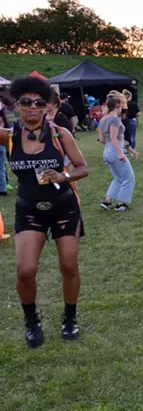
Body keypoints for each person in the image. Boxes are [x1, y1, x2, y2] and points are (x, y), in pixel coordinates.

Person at [6, 77, 89, 348]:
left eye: (39, 102)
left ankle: (69, 318)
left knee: (68, 266)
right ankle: (32, 321)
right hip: (29, 208)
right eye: (26, 102)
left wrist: (63, 174)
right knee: (25, 270)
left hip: (63, 207)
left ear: (47, 106)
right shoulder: (9, 137)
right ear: (16, 105)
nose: (32, 107)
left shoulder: (59, 134)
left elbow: (82, 168)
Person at [98, 95, 136, 211]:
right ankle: (121, 203)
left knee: (118, 177)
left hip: (107, 150)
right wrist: (120, 154)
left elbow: (102, 139)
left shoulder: (103, 119)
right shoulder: (115, 119)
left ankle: (108, 200)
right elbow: (114, 138)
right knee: (129, 177)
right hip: (115, 150)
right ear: (116, 106)